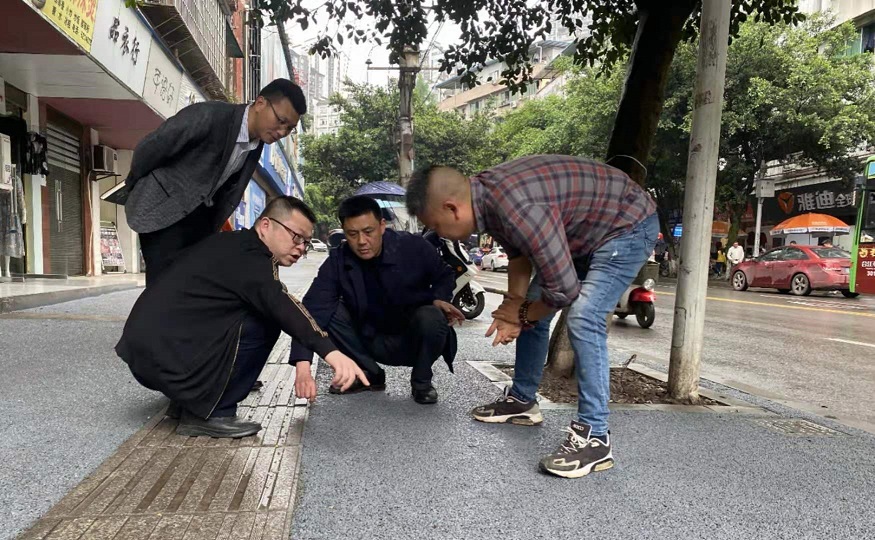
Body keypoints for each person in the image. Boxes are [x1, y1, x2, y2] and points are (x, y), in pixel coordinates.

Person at [406, 155, 658, 479]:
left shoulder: (517, 208)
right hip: (584, 234)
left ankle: (595, 437)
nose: (444, 237)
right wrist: (515, 304)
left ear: (452, 208)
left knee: (584, 318)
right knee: (531, 307)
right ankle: (523, 401)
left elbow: (564, 291)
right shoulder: (486, 200)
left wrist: (521, 314)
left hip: (626, 227)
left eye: (439, 227)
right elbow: (519, 256)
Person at [116, 197, 369, 438]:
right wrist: (331, 352)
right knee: (265, 322)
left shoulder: (234, 244)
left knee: (251, 314)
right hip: (163, 358)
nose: (301, 248)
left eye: (305, 242)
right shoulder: (252, 257)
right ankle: (212, 412)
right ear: (266, 225)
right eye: (296, 237)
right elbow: (282, 306)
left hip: (148, 353)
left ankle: (188, 399)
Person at [112, 78, 306, 286]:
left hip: (198, 224)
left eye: (289, 128)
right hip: (164, 211)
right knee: (164, 286)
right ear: (260, 103)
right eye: (281, 121)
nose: (282, 132)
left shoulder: (256, 143)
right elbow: (151, 148)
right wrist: (138, 185)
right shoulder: (211, 115)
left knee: (185, 288)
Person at [290, 195, 464, 404]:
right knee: (330, 311)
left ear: (382, 226)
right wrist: (303, 366)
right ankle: (369, 373)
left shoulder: (413, 246)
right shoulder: (338, 260)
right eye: (353, 234)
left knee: (432, 316)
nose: (362, 241)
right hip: (368, 340)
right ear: (344, 232)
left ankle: (422, 381)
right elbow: (310, 311)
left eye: (368, 231)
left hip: (413, 339)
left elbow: (444, 274)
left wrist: (439, 298)